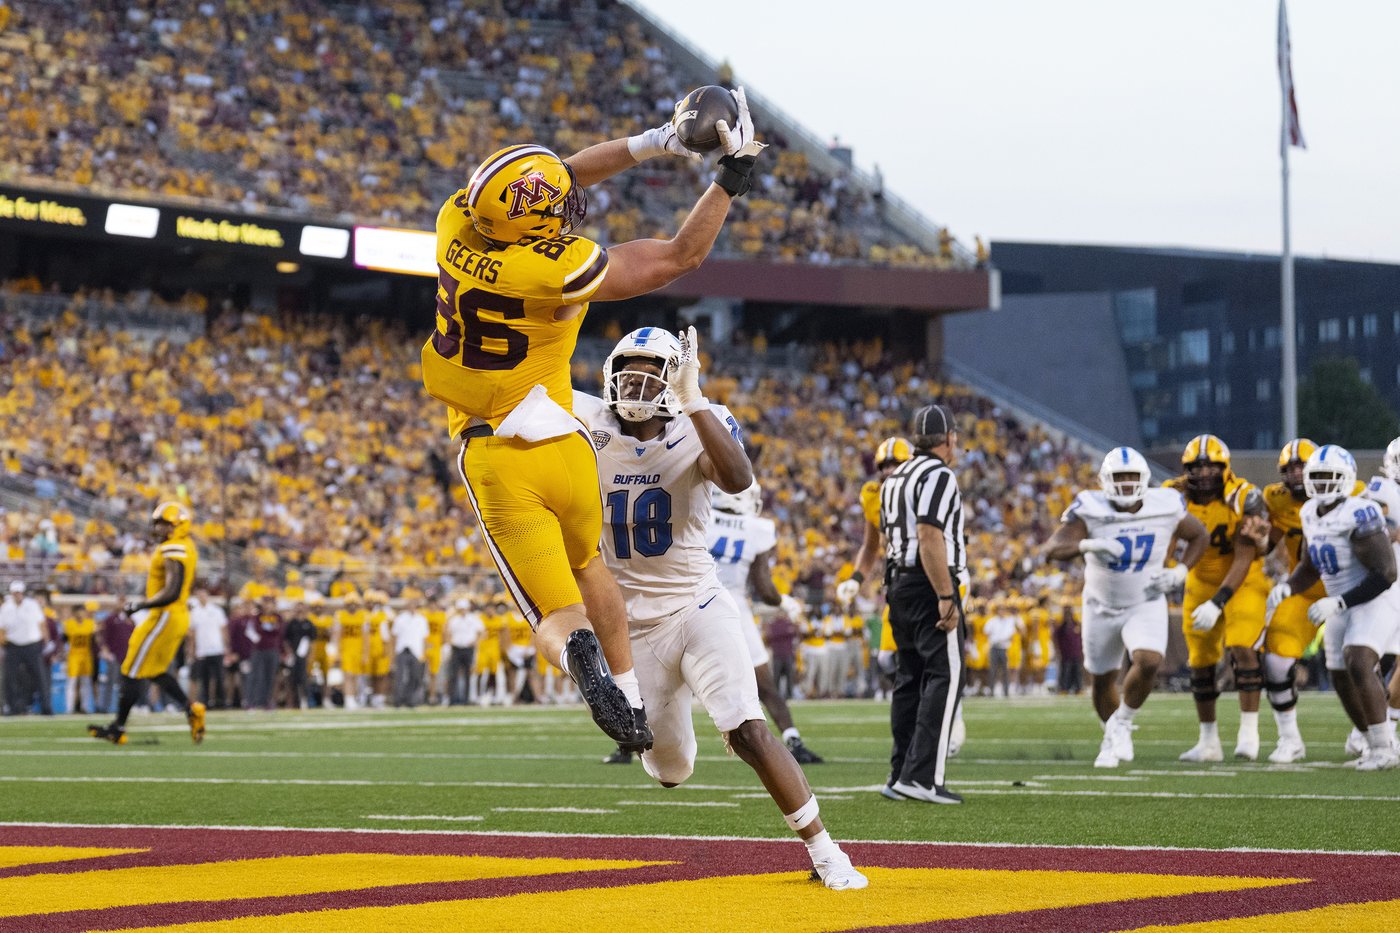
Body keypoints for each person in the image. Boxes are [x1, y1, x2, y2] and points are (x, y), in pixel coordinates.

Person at [418, 88, 768, 752]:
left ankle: (583, 655)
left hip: (498, 454)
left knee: (558, 613)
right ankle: (630, 695)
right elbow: (676, 258)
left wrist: (657, 141)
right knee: (591, 568)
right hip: (566, 442)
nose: (568, 205)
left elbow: (563, 175)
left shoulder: (456, 225)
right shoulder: (552, 268)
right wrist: (731, 178)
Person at [573, 325, 868, 890]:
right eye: (626, 369)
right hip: (631, 626)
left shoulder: (699, 421)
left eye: (649, 370)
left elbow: (738, 477)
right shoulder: (586, 421)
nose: (635, 380)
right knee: (671, 769)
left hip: (698, 605)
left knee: (748, 730)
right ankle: (668, 722)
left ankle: (828, 854)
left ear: (672, 377)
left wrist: (695, 399)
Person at [1041, 447, 1208, 768]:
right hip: (1099, 605)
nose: (1127, 483)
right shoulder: (1091, 506)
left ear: (1145, 479)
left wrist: (1180, 571)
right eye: (1120, 477)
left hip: (1144, 601)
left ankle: (1121, 724)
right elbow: (1052, 548)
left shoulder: (1165, 505)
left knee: (1148, 661)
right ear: (1105, 481)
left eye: (1133, 476)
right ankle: (1113, 731)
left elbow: (1199, 535)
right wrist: (1087, 544)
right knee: (1102, 678)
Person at [1267, 445, 1399, 770]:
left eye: (1330, 477)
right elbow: (1311, 562)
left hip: (1374, 599)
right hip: (1339, 603)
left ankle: (1385, 747)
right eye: (1318, 477)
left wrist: (1339, 601)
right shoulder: (1309, 512)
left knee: (1359, 661)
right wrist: (1288, 586)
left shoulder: (1361, 511)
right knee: (1339, 676)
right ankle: (1370, 742)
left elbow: (1386, 573)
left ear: (1346, 479)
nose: (1323, 484)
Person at [692, 480, 823, 763]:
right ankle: (793, 739)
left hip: (693, 603)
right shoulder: (757, 529)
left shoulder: (701, 514)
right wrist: (785, 602)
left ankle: (629, 742)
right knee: (765, 685)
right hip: (734, 609)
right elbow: (764, 587)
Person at [878, 404, 968, 805]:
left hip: (898, 583)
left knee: (909, 678)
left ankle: (900, 772)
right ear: (949, 438)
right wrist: (946, 594)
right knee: (945, 674)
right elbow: (930, 535)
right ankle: (922, 777)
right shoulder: (939, 474)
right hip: (926, 583)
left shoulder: (894, 477)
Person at [1164, 435, 1271, 762]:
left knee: (1241, 646)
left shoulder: (1243, 496)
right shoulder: (1172, 494)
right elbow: (1165, 539)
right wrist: (1167, 571)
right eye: (1198, 465)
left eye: (1212, 465)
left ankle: (1249, 733)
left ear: (1225, 467)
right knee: (1200, 662)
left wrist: (1218, 601)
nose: (1205, 471)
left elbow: (1244, 557)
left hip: (1245, 580)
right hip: (1198, 579)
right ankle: (1208, 741)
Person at [1257, 439, 1363, 762]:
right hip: (1304, 589)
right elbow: (1269, 541)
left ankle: (1369, 731)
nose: (1295, 474)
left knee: (1365, 661)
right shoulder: (1275, 500)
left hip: (1352, 590)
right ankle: (1290, 739)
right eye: (1288, 469)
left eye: (1301, 467)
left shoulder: (1357, 492)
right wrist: (1258, 537)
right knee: (1275, 662)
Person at [88, 502, 205, 745]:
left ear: (177, 526)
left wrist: (141, 605)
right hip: (173, 615)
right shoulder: (183, 546)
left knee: (131, 668)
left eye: (164, 524)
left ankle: (118, 728)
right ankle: (191, 709)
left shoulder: (174, 548)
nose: (158, 528)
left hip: (164, 615)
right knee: (153, 670)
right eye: (158, 523)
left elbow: (172, 591)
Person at [1362, 436, 1400, 746]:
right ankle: (1369, 730)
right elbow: (1379, 528)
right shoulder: (1381, 489)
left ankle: (1384, 726)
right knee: (1375, 659)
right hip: (1385, 586)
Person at [1, 580, 49, 715]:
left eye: (19, 592)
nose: (17, 595)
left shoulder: (32, 605)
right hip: (13, 645)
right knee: (9, 678)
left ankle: (46, 707)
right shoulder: (6, 607)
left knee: (40, 676)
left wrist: (46, 641)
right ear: (11, 593)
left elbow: (42, 624)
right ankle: (12, 708)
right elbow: (2, 629)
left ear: (23, 592)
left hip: (32, 645)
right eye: (15, 592)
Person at [188, 588, 229, 709]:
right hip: (202, 650)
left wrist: (226, 646)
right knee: (204, 678)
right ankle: (205, 702)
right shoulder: (194, 612)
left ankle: (221, 701)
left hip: (217, 648)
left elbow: (223, 630)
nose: (202, 597)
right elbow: (193, 633)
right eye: (199, 595)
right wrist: (192, 649)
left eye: (204, 595)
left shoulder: (217, 611)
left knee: (219, 677)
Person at [446, 597, 486, 705]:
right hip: (456, 648)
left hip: (468, 648)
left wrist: (475, 642)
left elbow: (482, 632)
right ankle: (453, 699)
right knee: (453, 674)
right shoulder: (454, 620)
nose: (463, 610)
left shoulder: (474, 619)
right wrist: (451, 643)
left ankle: (466, 699)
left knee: (468, 674)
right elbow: (448, 634)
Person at [62, 601, 99, 715]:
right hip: (73, 655)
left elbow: (96, 640)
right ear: (74, 613)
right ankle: (69, 708)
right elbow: (64, 640)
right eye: (78, 612)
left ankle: (85, 707)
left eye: (82, 611)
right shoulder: (69, 624)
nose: (80, 614)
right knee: (72, 682)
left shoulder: (91, 624)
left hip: (86, 656)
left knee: (86, 682)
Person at [391, 602, 429, 707]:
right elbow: (394, 636)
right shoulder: (400, 619)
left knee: (415, 676)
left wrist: (424, 653)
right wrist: (393, 652)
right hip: (402, 649)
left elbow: (424, 638)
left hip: (416, 651)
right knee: (400, 676)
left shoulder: (421, 619)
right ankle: (398, 700)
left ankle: (411, 700)